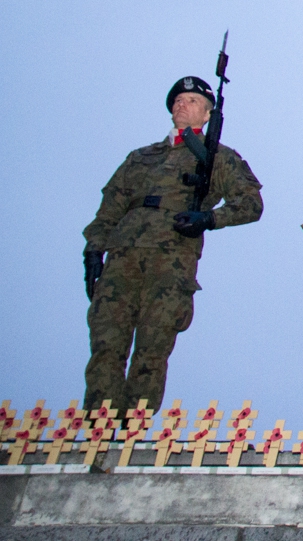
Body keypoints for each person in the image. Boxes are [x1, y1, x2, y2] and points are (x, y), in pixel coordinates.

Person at [83, 75, 264, 409]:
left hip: (172, 259)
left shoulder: (217, 157)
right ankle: (99, 427)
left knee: (152, 348)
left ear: (208, 114)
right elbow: (108, 210)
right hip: (122, 256)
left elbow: (251, 205)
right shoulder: (140, 157)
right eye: (178, 99)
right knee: (106, 344)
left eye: (192, 101)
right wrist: (94, 249)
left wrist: (209, 218)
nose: (183, 103)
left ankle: (130, 432)